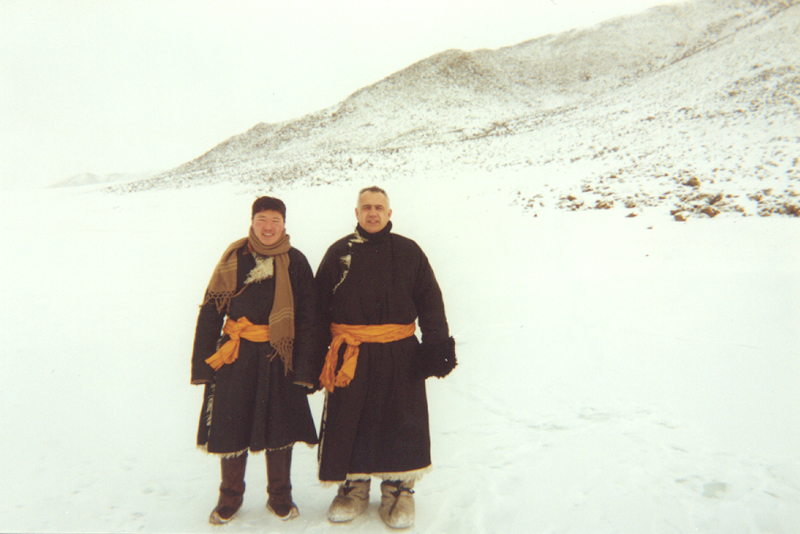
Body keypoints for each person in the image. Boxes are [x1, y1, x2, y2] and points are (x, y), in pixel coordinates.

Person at [315, 186, 456, 529]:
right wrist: (314, 356)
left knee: (401, 417)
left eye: (379, 207)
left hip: (400, 352)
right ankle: (354, 487)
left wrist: (434, 347)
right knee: (351, 418)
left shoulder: (409, 252)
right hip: (352, 352)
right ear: (357, 213)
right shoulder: (339, 253)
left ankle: (399, 489)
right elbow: (317, 306)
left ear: (389, 213)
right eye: (366, 207)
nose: (373, 213)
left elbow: (430, 301)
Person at [190, 196, 320, 525]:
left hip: (281, 355)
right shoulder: (233, 258)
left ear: (284, 225)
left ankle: (280, 496)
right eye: (262, 219)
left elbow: (309, 319)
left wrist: (306, 370)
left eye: (275, 220)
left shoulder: (297, 262)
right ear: (252, 221)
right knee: (231, 424)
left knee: (280, 426)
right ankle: (230, 497)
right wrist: (203, 365)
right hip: (236, 355)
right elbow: (210, 312)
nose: (268, 226)